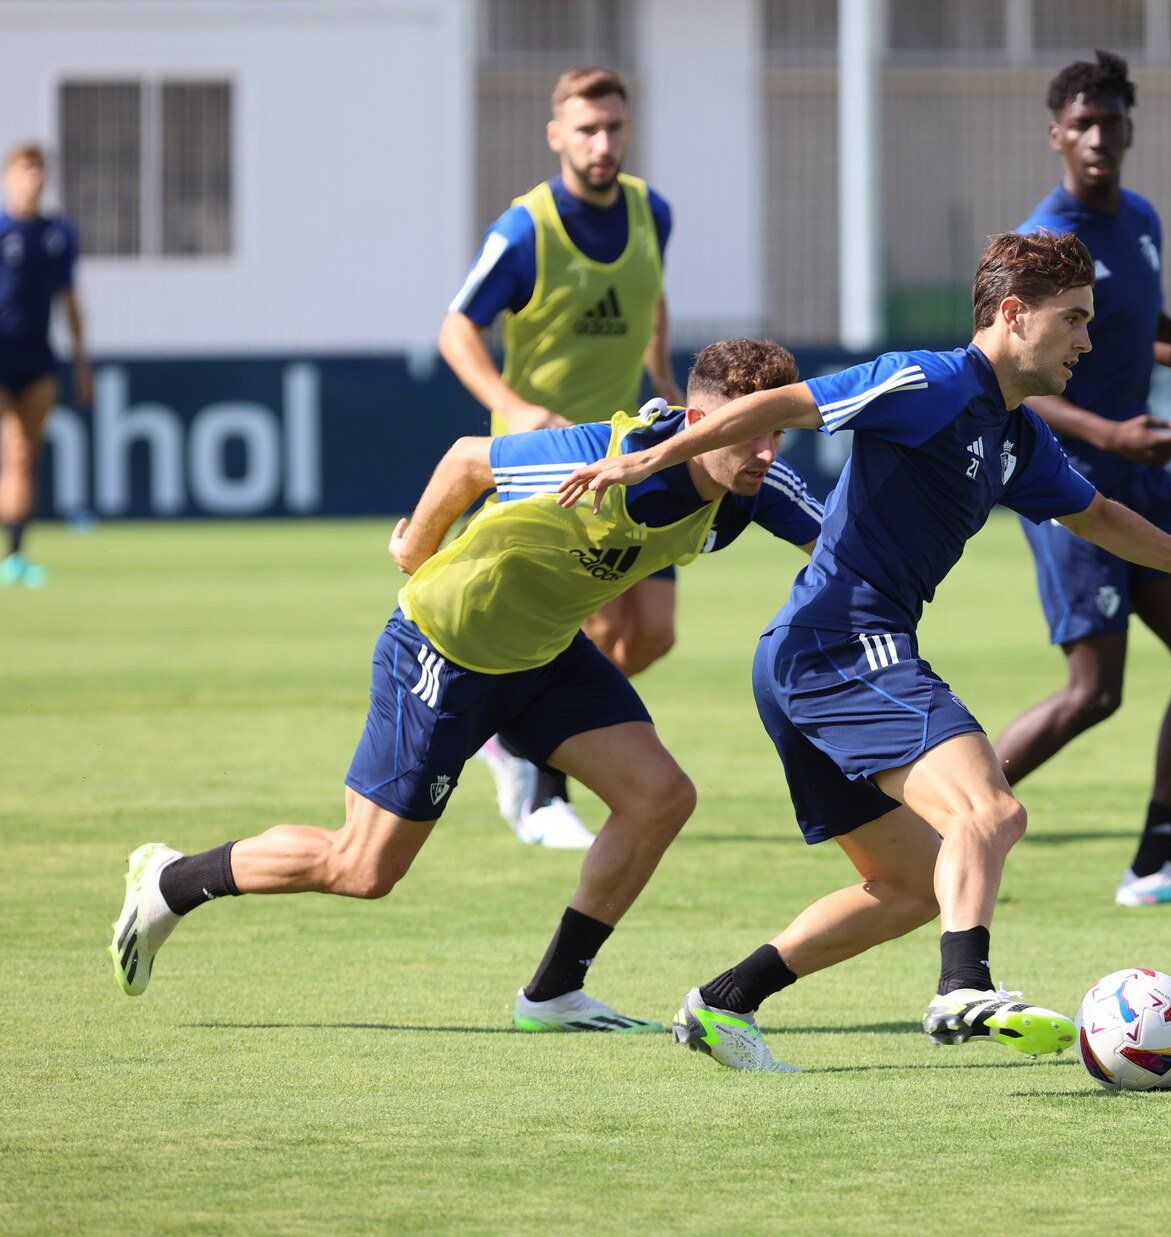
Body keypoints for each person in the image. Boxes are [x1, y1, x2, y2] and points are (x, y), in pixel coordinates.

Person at [554, 230, 1171, 1072]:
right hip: (842, 643)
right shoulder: (931, 379)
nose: (1087, 342)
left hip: (812, 657)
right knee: (991, 811)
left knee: (915, 885)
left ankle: (722, 1001)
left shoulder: (1014, 435)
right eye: (1073, 321)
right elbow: (788, 405)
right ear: (1012, 314)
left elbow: (1094, 513)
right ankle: (965, 985)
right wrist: (656, 457)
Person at [110, 339, 822, 1034]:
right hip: (445, 647)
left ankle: (554, 993)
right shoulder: (592, 456)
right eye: (752, 432)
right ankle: (171, 882)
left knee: (660, 797)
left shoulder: (752, 488)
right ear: (698, 425)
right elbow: (466, 460)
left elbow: (840, 545)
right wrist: (416, 551)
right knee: (363, 867)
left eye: (776, 433)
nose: (767, 451)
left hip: (547, 656)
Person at [995, 50, 1171, 908]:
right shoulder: (1047, 244)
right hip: (1070, 482)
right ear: (1055, 136)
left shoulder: (1141, 219)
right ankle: (935, 815)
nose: (1097, 137)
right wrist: (1110, 430)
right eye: (1081, 123)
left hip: (1142, 479)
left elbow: (1140, 324)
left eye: (1111, 121)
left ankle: (1153, 866)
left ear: (1128, 130)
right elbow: (1019, 385)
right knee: (1094, 691)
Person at [440, 66, 679, 848]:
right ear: (556, 135)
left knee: (651, 634)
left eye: (612, 126)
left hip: (629, 452)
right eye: (586, 129)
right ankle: (546, 793)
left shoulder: (652, 212)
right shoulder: (525, 230)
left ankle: (511, 732)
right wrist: (510, 406)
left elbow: (650, 294)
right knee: (588, 621)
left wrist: (666, 376)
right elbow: (456, 329)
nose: (601, 142)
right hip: (552, 465)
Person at [0, 143, 89, 588]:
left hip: (38, 357)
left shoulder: (58, 234)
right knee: (13, 449)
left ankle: (15, 557)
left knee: (24, 458)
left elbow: (70, 299)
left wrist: (83, 358)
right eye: (24, 170)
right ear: (8, 178)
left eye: (39, 170)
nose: (33, 178)